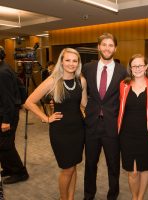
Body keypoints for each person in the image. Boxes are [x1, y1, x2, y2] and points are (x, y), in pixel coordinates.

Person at [25, 48, 87, 200]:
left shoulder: (81, 81)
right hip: (60, 131)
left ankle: (70, 198)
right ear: (61, 61)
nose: (71, 64)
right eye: (68, 60)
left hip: (78, 130)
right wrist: (45, 118)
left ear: (78, 63)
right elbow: (29, 102)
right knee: (67, 169)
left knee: (73, 167)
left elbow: (84, 103)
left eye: (75, 60)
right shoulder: (53, 80)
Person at [82, 33, 127, 200]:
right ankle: (88, 195)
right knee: (90, 164)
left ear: (115, 48)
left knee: (113, 165)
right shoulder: (87, 68)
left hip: (112, 126)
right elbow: (80, 91)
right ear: (98, 47)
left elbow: (125, 98)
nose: (107, 48)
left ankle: (112, 195)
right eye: (104, 44)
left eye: (111, 45)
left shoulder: (123, 71)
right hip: (92, 124)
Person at [117, 54, 148, 200]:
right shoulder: (124, 85)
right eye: (134, 66)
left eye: (141, 65)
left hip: (147, 134)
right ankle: (135, 197)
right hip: (127, 134)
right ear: (130, 68)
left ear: (146, 67)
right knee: (132, 171)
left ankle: (140, 198)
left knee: (145, 168)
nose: (138, 68)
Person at [0, 45, 29, 184]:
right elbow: (19, 86)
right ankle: (8, 168)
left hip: (7, 115)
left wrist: (6, 121)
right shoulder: (4, 66)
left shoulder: (3, 72)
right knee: (2, 144)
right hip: (5, 112)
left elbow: (8, 100)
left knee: (6, 145)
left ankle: (20, 172)